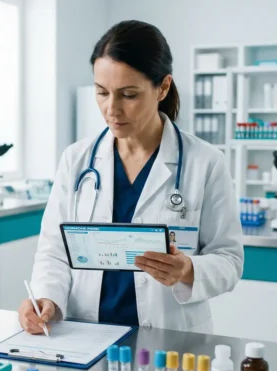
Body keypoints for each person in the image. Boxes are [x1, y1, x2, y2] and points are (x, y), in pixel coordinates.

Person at [17, 20, 243, 334]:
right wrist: (47, 299)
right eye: (102, 93)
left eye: (129, 95)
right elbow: (54, 251)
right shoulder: (76, 160)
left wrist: (188, 269)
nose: (112, 109)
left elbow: (229, 260)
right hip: (87, 334)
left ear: (162, 87)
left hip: (171, 339)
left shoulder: (205, 163)